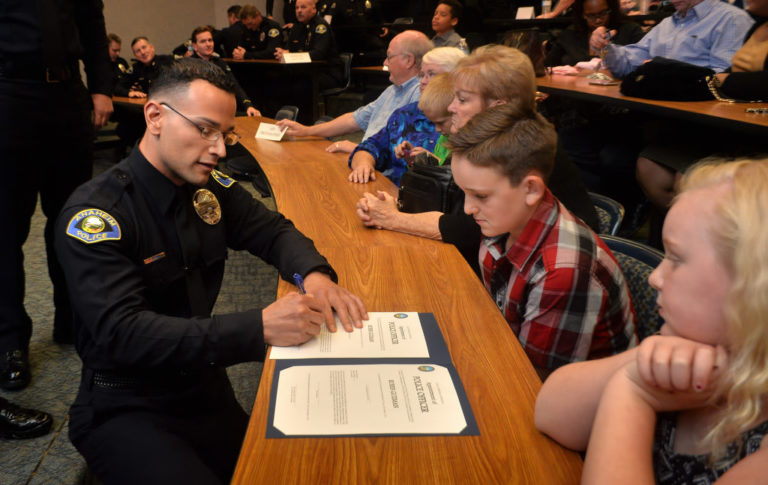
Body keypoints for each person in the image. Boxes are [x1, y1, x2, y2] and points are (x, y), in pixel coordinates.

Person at [55, 58, 368, 484]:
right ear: (155, 116)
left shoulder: (208, 187)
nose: (220, 149)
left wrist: (315, 276)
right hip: (127, 403)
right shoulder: (97, 214)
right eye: (204, 130)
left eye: (225, 134)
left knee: (291, 469)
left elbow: (272, 232)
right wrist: (258, 328)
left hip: (202, 387)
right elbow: (121, 333)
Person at [535, 158, 768, 483]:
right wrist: (637, 367)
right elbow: (550, 413)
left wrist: (634, 392)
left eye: (676, 258)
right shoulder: (681, 347)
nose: (655, 278)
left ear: (753, 287)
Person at [355, 46, 600, 268]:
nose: (451, 108)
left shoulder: (516, 150)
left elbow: (467, 229)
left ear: (498, 106)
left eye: (462, 99)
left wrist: (393, 218)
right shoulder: (483, 140)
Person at [444, 104, 635, 378]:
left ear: (531, 189)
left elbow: (533, 382)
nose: (467, 209)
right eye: (464, 193)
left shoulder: (562, 273)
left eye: (481, 196)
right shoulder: (504, 220)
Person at [1, 0, 113, 390]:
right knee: (6, 229)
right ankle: (9, 342)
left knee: (73, 220)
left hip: (67, 98)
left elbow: (93, 29)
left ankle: (73, 321)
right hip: (8, 96)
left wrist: (101, 88)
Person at [636, 0, 768, 216]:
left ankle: (710, 237)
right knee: (649, 166)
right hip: (730, 122)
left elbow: (757, 81)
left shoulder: (733, 18)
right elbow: (732, 71)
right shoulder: (758, 25)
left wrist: (721, 79)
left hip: (755, 134)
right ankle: (682, 234)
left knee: (686, 177)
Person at [276, 30, 433, 153]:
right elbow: (354, 119)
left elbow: (403, 148)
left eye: (389, 57)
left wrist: (358, 149)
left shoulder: (420, 95)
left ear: (409, 60)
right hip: (364, 159)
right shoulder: (392, 90)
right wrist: (306, 130)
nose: (385, 62)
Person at [348, 47, 466, 185]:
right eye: (422, 75)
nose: (422, 82)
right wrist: (363, 163)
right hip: (397, 195)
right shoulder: (406, 114)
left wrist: (428, 161)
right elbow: (371, 146)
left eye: (431, 74)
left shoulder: (462, 122)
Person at [592, 0, 754, 77]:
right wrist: (605, 46)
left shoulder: (731, 19)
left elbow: (725, 78)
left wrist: (666, 71)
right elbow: (628, 63)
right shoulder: (668, 23)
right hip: (658, 111)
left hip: (701, 122)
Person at [545, 0, 644, 67]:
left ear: (611, 10)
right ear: (582, 15)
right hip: (573, 93)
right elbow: (548, 66)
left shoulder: (629, 30)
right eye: (591, 16)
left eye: (603, 13)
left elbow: (642, 61)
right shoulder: (569, 35)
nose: (598, 20)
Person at [190, 25, 261, 117]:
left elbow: (234, 85)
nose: (208, 44)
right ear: (195, 46)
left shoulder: (219, 62)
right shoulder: (189, 65)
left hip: (223, 110)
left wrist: (248, 105)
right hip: (203, 114)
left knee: (253, 115)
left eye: (210, 40)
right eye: (203, 41)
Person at [275, 0, 344, 90]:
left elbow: (318, 54)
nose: (299, 11)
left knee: (299, 86)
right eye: (296, 8)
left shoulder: (320, 26)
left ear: (313, 9)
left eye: (303, 7)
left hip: (326, 73)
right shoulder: (296, 27)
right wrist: (282, 53)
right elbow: (288, 49)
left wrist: (290, 55)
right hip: (305, 72)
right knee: (276, 81)